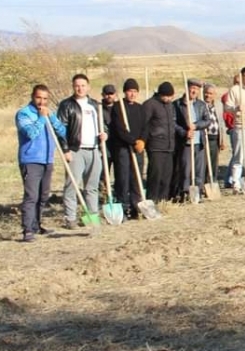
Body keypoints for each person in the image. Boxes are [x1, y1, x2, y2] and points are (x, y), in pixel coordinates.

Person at [16, 84, 67, 242]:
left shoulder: (48, 114)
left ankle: (37, 224)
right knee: (32, 196)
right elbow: (31, 133)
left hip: (47, 159)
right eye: (39, 97)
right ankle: (27, 230)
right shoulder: (23, 113)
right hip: (30, 159)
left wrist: (50, 117)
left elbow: (62, 131)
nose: (42, 102)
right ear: (33, 96)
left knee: (43, 196)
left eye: (45, 98)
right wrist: (41, 117)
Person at [56, 74, 105, 230]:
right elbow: (60, 129)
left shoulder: (95, 105)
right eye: (77, 85)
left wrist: (105, 134)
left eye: (83, 85)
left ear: (88, 86)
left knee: (92, 186)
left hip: (94, 149)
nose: (80, 88)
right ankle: (70, 218)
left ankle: (92, 216)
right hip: (75, 150)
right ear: (73, 86)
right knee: (72, 185)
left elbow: (104, 125)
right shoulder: (66, 105)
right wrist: (65, 150)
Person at [110, 79, 147, 220]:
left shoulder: (140, 108)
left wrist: (142, 141)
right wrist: (132, 141)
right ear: (125, 92)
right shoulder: (118, 107)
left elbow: (146, 126)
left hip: (138, 149)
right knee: (123, 179)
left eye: (135, 91)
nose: (132, 94)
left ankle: (136, 206)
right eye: (130, 91)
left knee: (137, 179)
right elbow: (120, 129)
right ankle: (123, 208)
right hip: (123, 149)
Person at [175, 78, 212, 202]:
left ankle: (198, 193)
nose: (194, 91)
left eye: (196, 89)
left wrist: (196, 125)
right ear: (187, 88)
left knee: (199, 170)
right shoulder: (178, 104)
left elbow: (207, 121)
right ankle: (185, 193)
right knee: (185, 169)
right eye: (192, 88)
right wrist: (184, 132)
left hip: (199, 142)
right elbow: (174, 123)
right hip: (186, 143)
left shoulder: (201, 105)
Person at [143, 82, 177, 203]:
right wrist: (143, 141)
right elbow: (144, 125)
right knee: (155, 176)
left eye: (171, 96)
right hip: (155, 146)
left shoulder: (170, 106)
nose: (169, 99)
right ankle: (152, 200)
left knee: (166, 176)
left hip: (169, 146)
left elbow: (172, 125)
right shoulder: (150, 105)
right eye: (167, 96)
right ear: (161, 94)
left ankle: (164, 201)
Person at [202, 83, 226, 190]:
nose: (208, 95)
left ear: (214, 95)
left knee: (214, 162)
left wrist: (223, 140)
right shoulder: (200, 105)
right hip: (204, 137)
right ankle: (202, 184)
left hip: (215, 138)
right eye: (206, 93)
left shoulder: (219, 106)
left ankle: (213, 182)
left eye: (210, 93)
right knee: (203, 163)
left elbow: (221, 123)